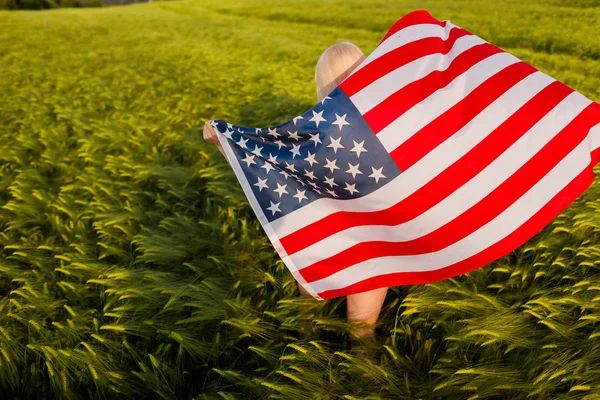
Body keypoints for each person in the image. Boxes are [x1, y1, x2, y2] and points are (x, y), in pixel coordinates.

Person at [203, 41, 389, 339]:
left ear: (321, 82)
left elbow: (268, 171)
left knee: (307, 324)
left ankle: (306, 368)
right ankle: (360, 380)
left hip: (319, 244)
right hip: (373, 252)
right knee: (363, 335)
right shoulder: (391, 125)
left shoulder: (312, 134)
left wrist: (222, 143)